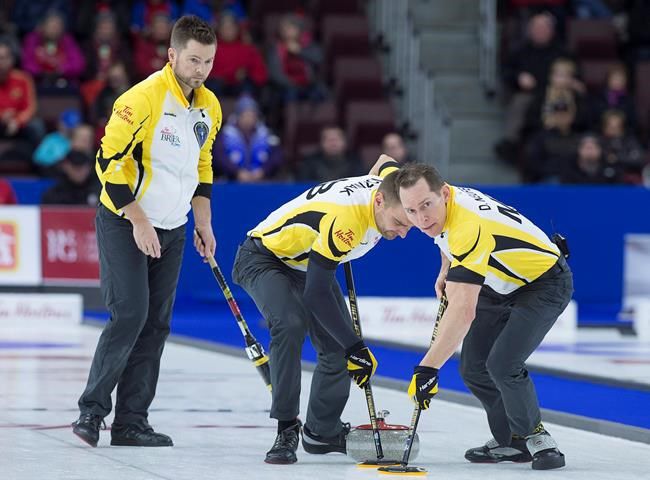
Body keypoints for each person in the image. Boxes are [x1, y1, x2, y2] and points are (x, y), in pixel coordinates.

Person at [72, 15, 221, 448]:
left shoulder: (210, 106)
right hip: (124, 221)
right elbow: (107, 163)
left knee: (156, 324)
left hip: (174, 228)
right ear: (172, 55)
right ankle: (91, 412)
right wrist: (138, 219)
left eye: (208, 62)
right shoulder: (141, 99)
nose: (200, 70)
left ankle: (131, 422)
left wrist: (203, 221)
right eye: (193, 60)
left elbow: (203, 166)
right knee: (131, 315)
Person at [232, 154, 411, 464]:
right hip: (264, 258)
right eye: (398, 223)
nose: (402, 233)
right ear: (379, 201)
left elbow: (385, 161)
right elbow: (316, 294)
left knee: (337, 347)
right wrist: (356, 346)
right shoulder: (347, 222)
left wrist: (349, 348)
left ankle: (321, 431)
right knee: (289, 324)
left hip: (308, 261)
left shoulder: (392, 187)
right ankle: (286, 427)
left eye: (408, 224)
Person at [396, 163, 572, 471]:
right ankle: (511, 440)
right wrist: (446, 267)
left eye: (426, 206)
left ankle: (536, 436)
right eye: (411, 211)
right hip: (496, 281)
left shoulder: (468, 224)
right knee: (474, 367)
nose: (421, 219)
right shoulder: (439, 202)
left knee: (503, 364)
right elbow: (387, 166)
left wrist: (427, 368)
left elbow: (463, 312)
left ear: (444, 194)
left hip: (542, 282)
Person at [213, 94, 282, 182]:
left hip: (261, 181)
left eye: (252, 115)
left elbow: (277, 155)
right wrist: (237, 172)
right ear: (238, 116)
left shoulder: (266, 134)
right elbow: (219, 157)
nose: (249, 119)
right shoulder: (225, 134)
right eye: (246, 115)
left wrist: (263, 170)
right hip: (231, 182)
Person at [297, 126, 364, 181]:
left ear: (344, 142)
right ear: (321, 143)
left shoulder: (355, 162)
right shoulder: (310, 164)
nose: (333, 143)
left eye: (336, 139)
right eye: (328, 140)